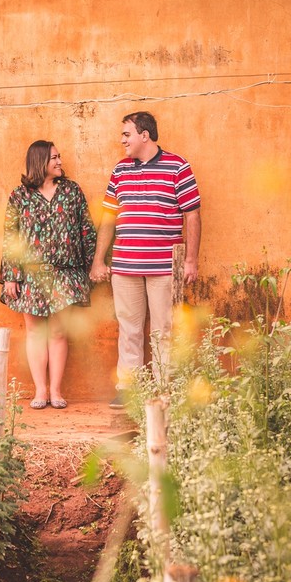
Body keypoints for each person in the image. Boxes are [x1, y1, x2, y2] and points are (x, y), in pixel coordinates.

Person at [90, 111, 201, 408]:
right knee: (129, 328)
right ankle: (130, 389)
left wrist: (190, 260)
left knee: (164, 328)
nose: (122, 140)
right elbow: (109, 218)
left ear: (144, 135)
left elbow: (192, 214)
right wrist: (99, 260)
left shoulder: (178, 166)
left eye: (127, 134)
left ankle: (164, 388)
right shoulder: (120, 170)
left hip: (164, 266)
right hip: (125, 266)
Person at [0, 140, 97, 410]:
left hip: (65, 273)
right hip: (30, 275)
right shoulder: (19, 196)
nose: (59, 161)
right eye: (54, 157)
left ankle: (56, 390)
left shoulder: (71, 191)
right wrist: (10, 275)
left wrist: (90, 267)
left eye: (59, 156)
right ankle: (40, 390)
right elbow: (11, 237)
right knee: (34, 333)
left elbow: (86, 229)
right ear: (40, 161)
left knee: (57, 332)